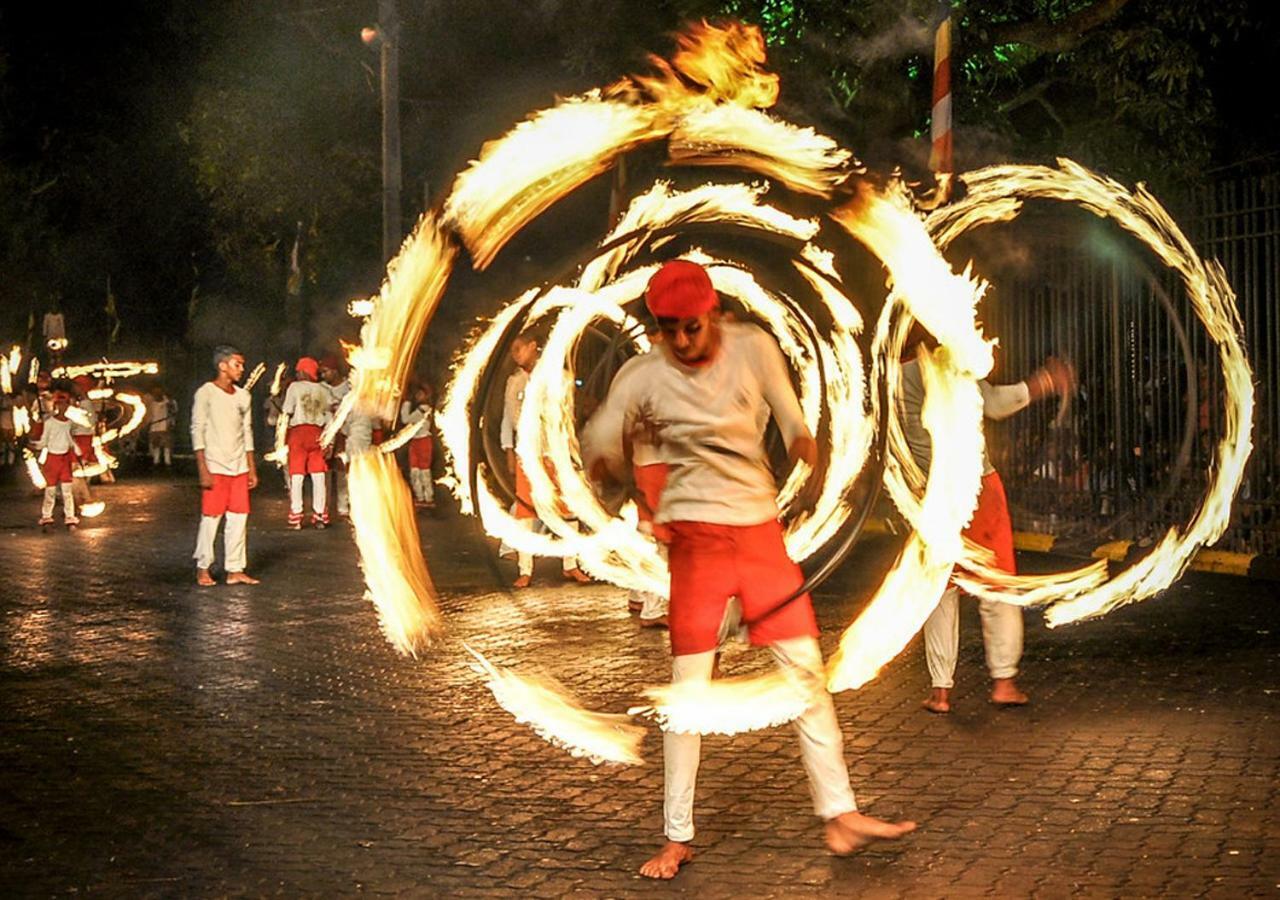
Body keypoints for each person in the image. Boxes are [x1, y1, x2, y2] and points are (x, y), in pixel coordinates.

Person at [581, 259, 916, 879]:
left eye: (691, 328)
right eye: (667, 330)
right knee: (688, 697)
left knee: (808, 679)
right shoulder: (641, 375)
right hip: (698, 550)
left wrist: (807, 451)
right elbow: (599, 440)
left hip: (760, 537)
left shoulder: (755, 347)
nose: (681, 341)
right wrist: (608, 466)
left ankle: (840, 815)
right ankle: (677, 837)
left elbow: (792, 419)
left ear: (715, 314)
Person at [898, 334, 1075, 713]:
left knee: (940, 592)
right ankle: (1004, 682)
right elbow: (994, 404)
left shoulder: (896, 381)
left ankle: (941, 691)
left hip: (934, 496)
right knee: (995, 588)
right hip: (977, 489)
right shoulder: (952, 369)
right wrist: (1045, 381)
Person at [500, 332, 591, 588]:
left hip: (557, 453)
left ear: (532, 346)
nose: (515, 355)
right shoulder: (515, 382)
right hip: (528, 455)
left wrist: (571, 453)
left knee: (567, 509)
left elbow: (568, 417)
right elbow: (511, 419)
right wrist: (509, 450)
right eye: (512, 351)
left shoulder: (559, 378)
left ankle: (570, 564)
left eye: (519, 349)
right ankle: (525, 569)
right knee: (526, 512)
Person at [191, 345, 259, 586]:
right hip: (215, 466)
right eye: (236, 364)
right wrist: (203, 468)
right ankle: (203, 567)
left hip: (239, 466)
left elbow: (247, 432)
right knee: (211, 518)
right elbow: (197, 430)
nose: (242, 369)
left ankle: (235, 569)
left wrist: (251, 467)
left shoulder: (243, 396)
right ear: (222, 366)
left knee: (239, 518)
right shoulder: (206, 393)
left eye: (242, 365)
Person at [281, 356, 332, 529]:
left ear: (303, 371)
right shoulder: (324, 390)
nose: (296, 373)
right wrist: (329, 440)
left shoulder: (294, 387)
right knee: (318, 476)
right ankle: (319, 515)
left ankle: (296, 515)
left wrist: (281, 438)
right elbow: (330, 416)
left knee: (297, 475)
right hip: (318, 434)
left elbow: (287, 411)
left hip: (298, 434)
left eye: (298, 371)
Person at [34, 389, 83, 530]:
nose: (63, 407)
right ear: (56, 406)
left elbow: (69, 438)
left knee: (67, 491)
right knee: (50, 491)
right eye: (60, 404)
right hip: (52, 459)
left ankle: (70, 517)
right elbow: (44, 440)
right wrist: (36, 446)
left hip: (65, 459)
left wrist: (77, 452)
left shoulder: (69, 423)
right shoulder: (49, 422)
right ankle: (47, 516)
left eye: (65, 404)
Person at [401, 382, 436, 509]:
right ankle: (421, 498)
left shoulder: (423, 410)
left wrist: (406, 402)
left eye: (420, 393)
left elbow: (406, 419)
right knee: (415, 471)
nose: (417, 396)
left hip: (423, 441)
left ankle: (427, 498)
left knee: (423, 472)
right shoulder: (423, 409)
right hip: (416, 441)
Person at [145, 385, 178, 468]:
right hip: (154, 426)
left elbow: (173, 413)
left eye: (158, 392)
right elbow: (150, 415)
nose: (156, 394)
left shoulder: (169, 403)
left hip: (165, 426)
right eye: (155, 392)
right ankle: (156, 462)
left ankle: (168, 463)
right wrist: (147, 424)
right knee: (156, 445)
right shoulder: (152, 404)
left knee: (167, 445)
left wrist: (171, 424)